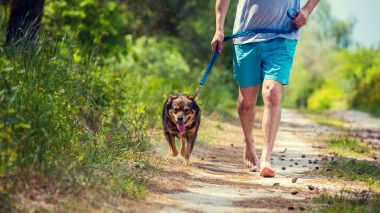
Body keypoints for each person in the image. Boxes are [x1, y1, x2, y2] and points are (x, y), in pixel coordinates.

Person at [211, 0, 320, 177]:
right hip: (246, 38)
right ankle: (248, 142)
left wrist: (307, 10)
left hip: (283, 36)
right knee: (246, 102)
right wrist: (219, 29)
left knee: (272, 93)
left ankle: (266, 159)